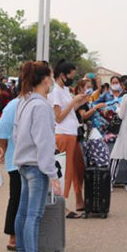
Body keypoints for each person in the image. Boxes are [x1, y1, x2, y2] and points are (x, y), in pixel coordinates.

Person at [12, 61, 61, 252]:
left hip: (24, 162)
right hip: (36, 166)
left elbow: (16, 133)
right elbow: (45, 142)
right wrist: (52, 173)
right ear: (45, 79)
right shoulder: (41, 106)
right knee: (34, 214)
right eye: (51, 76)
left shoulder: (24, 101)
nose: (52, 80)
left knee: (23, 211)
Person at [49, 60, 89, 218]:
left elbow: (69, 110)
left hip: (71, 133)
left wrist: (80, 102)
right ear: (62, 75)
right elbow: (58, 117)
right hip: (63, 133)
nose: (72, 79)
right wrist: (74, 101)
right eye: (71, 76)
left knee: (71, 170)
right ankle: (60, 205)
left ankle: (64, 203)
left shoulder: (64, 89)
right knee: (64, 172)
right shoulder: (56, 91)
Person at [0, 70, 25, 252]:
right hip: (18, 161)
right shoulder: (14, 105)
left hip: (30, 160)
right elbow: (0, 131)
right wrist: (5, 149)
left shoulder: (37, 103)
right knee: (17, 197)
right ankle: (13, 235)